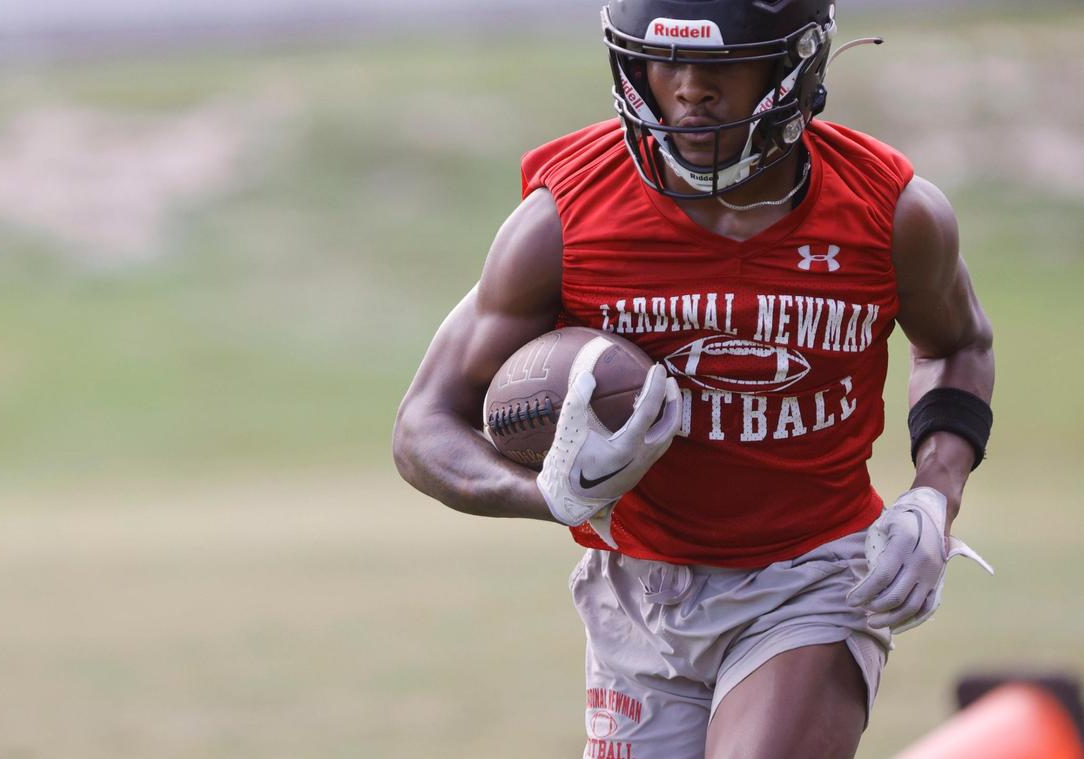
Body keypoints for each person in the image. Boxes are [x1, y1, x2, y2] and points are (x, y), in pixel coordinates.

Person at [393, 1, 995, 757]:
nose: (686, 90)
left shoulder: (891, 211)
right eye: (663, 60)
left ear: (794, 63)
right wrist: (547, 494)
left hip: (810, 575)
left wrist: (936, 493)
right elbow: (424, 425)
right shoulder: (565, 217)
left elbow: (957, 343)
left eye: (719, 64)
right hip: (638, 591)